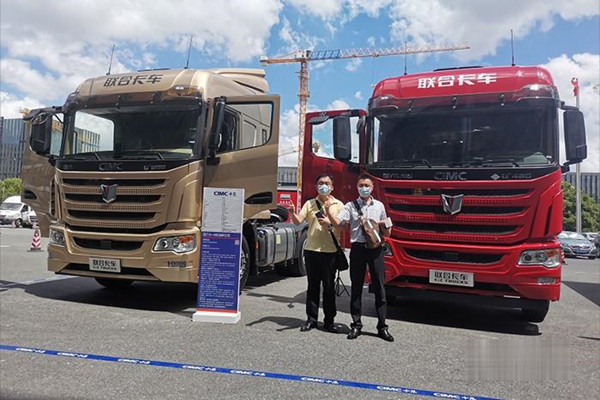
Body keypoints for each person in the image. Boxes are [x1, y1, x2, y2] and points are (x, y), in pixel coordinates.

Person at [327, 174, 394, 342]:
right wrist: (328, 212)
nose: (364, 188)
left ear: (372, 187)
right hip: (358, 248)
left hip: (376, 249)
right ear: (357, 187)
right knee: (356, 287)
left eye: (367, 185)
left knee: (379, 287)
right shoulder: (350, 206)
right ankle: (356, 325)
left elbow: (387, 230)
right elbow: (340, 224)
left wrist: (382, 224)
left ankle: (382, 326)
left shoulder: (379, 206)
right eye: (361, 185)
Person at [288, 174, 344, 333]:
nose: (323, 186)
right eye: (320, 183)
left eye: (327, 183)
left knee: (328, 288)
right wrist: (292, 212)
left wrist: (329, 223)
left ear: (332, 187)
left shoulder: (339, 204)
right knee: (312, 287)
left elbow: (342, 227)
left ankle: (329, 321)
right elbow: (298, 221)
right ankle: (311, 320)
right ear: (316, 186)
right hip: (311, 250)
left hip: (330, 251)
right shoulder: (310, 203)